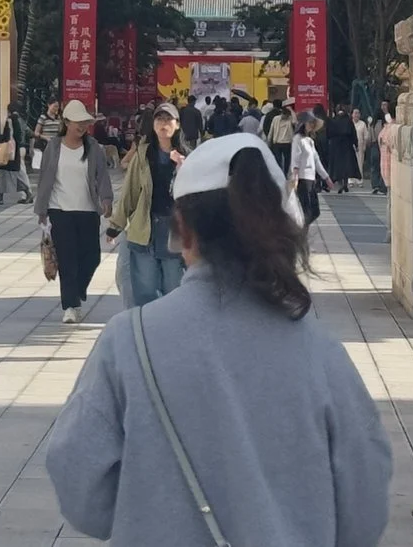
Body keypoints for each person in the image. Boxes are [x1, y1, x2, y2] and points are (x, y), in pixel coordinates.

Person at [44, 133, 391, 546]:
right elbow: (365, 501)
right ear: (281, 227)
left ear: (183, 231)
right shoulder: (321, 352)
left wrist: (148, 512)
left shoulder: (128, 343)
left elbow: (77, 478)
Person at [37, 99, 116, 324]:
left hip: (88, 210)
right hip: (59, 210)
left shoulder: (94, 148)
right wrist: (41, 210)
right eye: (77, 122)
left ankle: (78, 291)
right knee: (67, 258)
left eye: (85, 123)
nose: (81, 127)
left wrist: (107, 200)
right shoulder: (53, 147)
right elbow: (44, 178)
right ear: (67, 122)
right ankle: (70, 305)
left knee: (91, 256)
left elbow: (102, 177)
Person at [114, 102, 185, 304]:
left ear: (177, 124)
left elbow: (193, 196)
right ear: (153, 124)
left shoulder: (186, 155)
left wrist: (181, 167)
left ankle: (170, 329)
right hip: (146, 227)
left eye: (168, 119)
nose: (163, 124)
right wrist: (116, 225)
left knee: (173, 287)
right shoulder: (143, 155)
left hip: (173, 230)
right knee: (145, 288)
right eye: (159, 119)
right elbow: (130, 190)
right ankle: (147, 329)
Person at [285, 112, 325, 225]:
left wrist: (325, 177)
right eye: (310, 122)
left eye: (313, 123)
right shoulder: (298, 138)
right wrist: (295, 176)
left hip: (311, 178)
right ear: (304, 124)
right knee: (306, 209)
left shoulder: (310, 139)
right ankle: (301, 231)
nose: (312, 125)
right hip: (302, 178)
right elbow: (295, 158)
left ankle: (301, 229)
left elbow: (316, 159)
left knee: (314, 211)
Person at [0, 101, 33, 205]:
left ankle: (1, 196)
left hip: (9, 151)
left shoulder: (10, 120)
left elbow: (7, 135)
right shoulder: (21, 120)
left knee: (4, 174)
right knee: (15, 173)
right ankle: (27, 193)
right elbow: (23, 134)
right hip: (16, 150)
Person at [321, 106, 360, 195]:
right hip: (347, 145)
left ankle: (340, 184)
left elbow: (328, 133)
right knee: (346, 166)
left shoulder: (333, 120)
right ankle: (345, 184)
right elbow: (353, 133)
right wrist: (356, 144)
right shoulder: (348, 120)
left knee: (337, 167)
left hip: (335, 146)